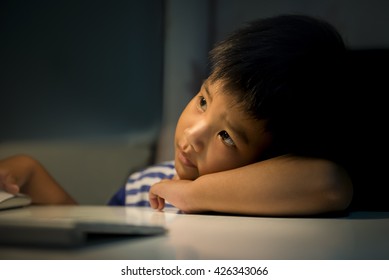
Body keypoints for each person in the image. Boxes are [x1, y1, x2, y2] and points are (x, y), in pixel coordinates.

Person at [0, 14, 353, 216]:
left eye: (227, 136)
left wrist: (192, 193)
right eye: (203, 100)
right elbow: (90, 249)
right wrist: (33, 174)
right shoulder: (144, 187)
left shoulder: (278, 202)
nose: (194, 134)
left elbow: (329, 182)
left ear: (275, 160)